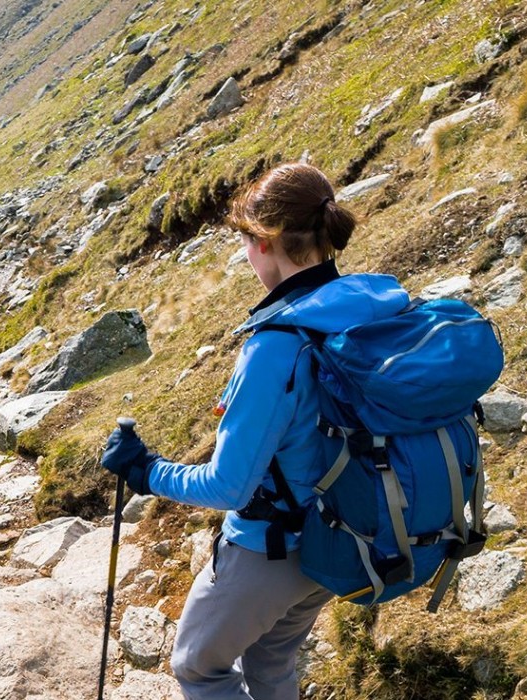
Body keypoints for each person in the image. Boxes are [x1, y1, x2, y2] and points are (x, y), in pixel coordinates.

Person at [100, 162, 415, 700]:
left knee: (199, 667)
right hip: (344, 532)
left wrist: (146, 470)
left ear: (265, 241)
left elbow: (229, 487)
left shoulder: (275, 346)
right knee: (270, 661)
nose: (245, 253)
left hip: (272, 549)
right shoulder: (373, 304)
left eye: (246, 239)